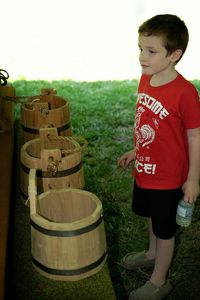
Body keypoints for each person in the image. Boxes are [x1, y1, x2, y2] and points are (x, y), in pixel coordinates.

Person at [118, 14, 200, 300]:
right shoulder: (146, 78)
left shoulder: (186, 93)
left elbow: (195, 136)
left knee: (165, 229)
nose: (142, 56)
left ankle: (159, 280)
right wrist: (136, 151)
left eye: (151, 51)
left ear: (174, 54)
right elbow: (148, 123)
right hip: (145, 169)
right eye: (140, 48)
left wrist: (192, 179)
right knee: (150, 216)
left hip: (169, 177)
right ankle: (152, 253)